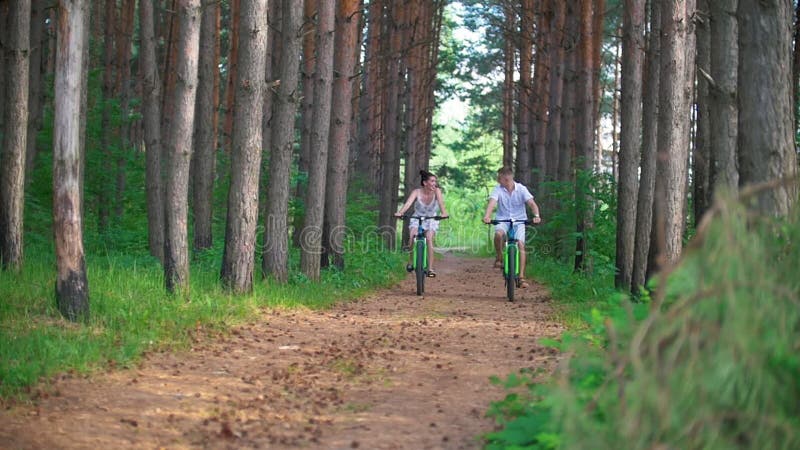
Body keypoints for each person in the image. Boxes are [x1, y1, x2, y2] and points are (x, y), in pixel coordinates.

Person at [482, 167, 542, 288]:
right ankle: (499, 257)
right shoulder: (498, 189)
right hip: (503, 219)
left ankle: (521, 278)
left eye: (501, 179)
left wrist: (536, 215)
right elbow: (492, 203)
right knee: (498, 234)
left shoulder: (521, 189)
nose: (499, 181)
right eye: (499, 178)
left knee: (520, 244)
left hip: (519, 221)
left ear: (508, 178)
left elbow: (532, 204)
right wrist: (487, 216)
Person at [394, 170, 449, 277]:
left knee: (429, 238)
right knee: (412, 237)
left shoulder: (437, 191)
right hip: (417, 217)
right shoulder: (416, 192)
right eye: (432, 181)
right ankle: (410, 261)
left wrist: (444, 213)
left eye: (435, 181)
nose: (434, 183)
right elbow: (408, 203)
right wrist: (400, 213)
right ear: (425, 183)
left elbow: (441, 203)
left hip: (431, 218)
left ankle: (430, 269)